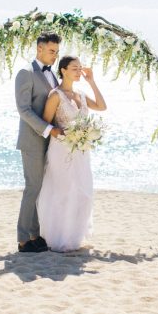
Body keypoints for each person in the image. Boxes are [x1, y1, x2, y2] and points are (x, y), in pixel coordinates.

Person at [36, 56, 107, 252]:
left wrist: (91, 81)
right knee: (63, 192)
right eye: (74, 68)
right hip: (60, 150)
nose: (78, 71)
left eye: (80, 68)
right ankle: (58, 239)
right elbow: (45, 123)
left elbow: (102, 106)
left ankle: (74, 238)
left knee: (83, 192)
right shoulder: (55, 95)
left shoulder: (81, 95)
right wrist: (63, 134)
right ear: (63, 71)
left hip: (81, 152)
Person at [14, 32, 64, 253]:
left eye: (57, 52)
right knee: (32, 187)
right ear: (39, 49)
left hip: (50, 142)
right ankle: (23, 239)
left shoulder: (52, 75)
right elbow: (23, 109)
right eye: (52, 51)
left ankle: (35, 234)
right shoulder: (25, 73)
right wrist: (48, 129)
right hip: (32, 140)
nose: (55, 55)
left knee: (40, 188)